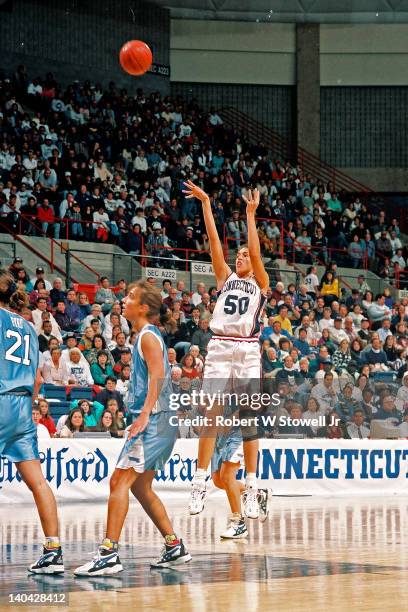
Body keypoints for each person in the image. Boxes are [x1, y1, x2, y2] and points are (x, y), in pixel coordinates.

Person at [74, 280, 191, 575]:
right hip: (160, 421)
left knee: (118, 482)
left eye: (130, 296)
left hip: (153, 421)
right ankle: (174, 545)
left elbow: (159, 377)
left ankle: (108, 553)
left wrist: (144, 415)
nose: (123, 299)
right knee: (139, 486)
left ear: (144, 307)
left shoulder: (148, 337)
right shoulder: (145, 336)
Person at [182, 181, 270, 520]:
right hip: (220, 347)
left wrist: (250, 215)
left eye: (245, 254)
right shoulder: (226, 277)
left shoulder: (259, 281)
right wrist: (206, 204)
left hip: (247, 349)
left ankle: (251, 486)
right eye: (240, 255)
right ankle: (199, 482)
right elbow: (215, 243)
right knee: (212, 416)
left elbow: (256, 251)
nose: (241, 256)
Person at [0, 270, 64, 573]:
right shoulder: (28, 327)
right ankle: (53, 550)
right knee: (38, 481)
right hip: (23, 405)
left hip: (1, 399)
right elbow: (38, 379)